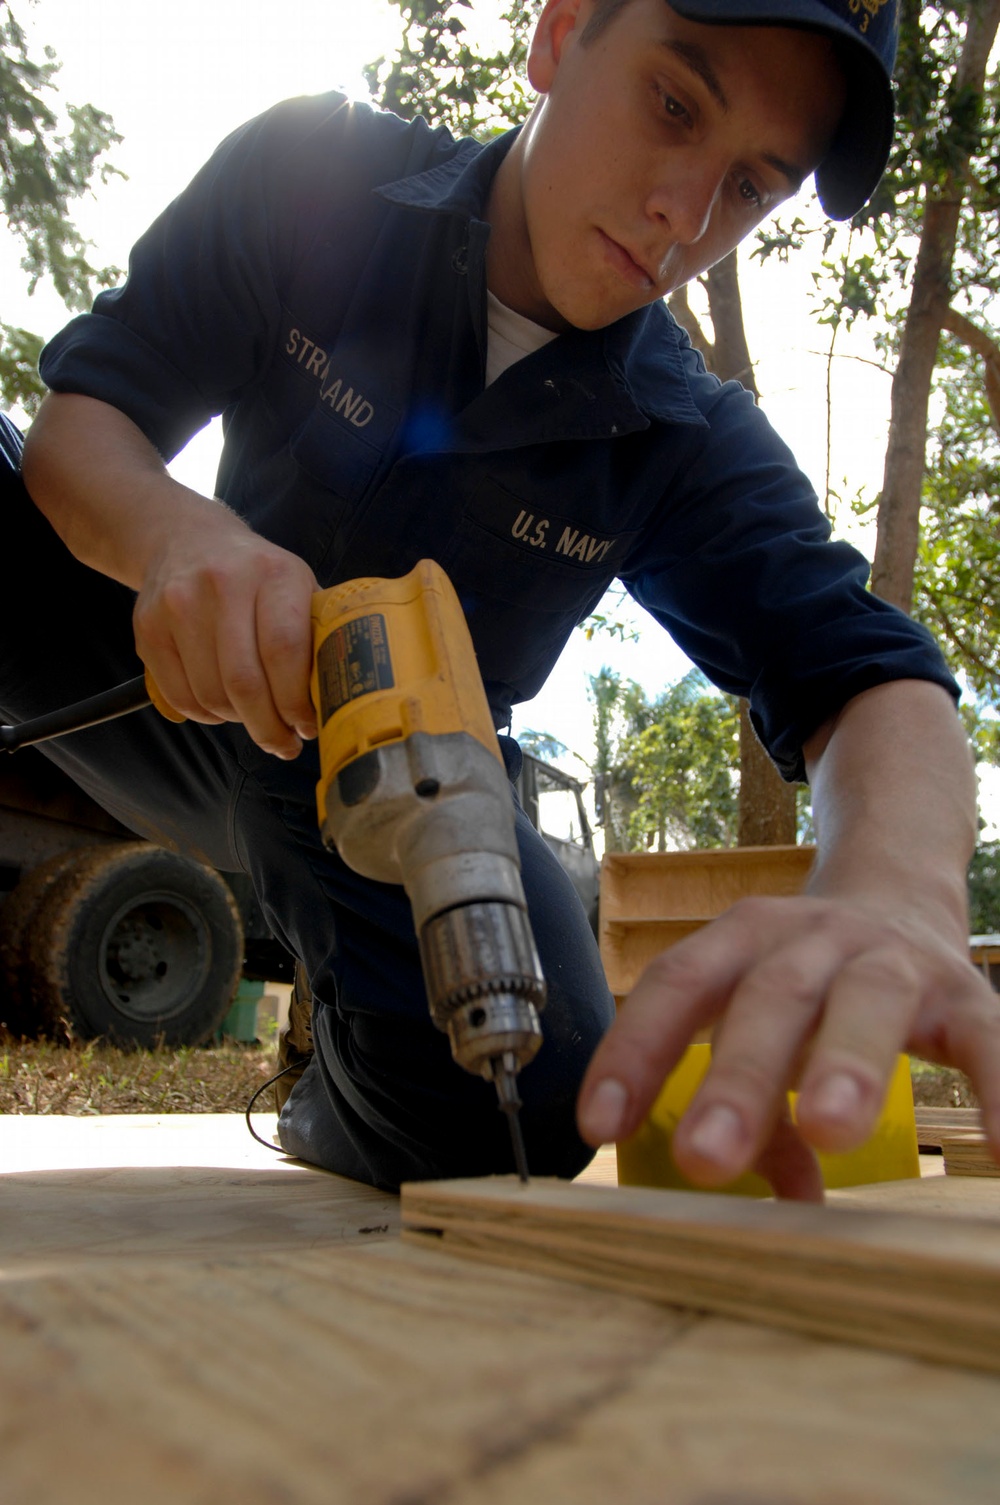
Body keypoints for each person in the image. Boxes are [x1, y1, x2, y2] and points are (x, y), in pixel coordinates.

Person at [5, 0, 997, 1196]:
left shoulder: (684, 437)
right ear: (560, 32)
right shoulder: (309, 172)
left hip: (400, 807)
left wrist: (897, 896)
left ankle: (332, 1079)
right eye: (673, 106)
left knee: (530, 1086)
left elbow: (868, 673)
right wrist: (176, 537)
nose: (683, 216)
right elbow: (82, 422)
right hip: (152, 671)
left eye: (747, 187)